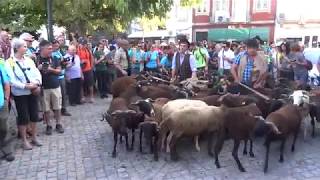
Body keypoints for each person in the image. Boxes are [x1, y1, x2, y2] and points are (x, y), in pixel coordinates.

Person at [5, 38, 42, 150]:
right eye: (24, 46)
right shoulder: (9, 62)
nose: (26, 48)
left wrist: (37, 83)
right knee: (23, 117)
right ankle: (24, 140)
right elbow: (11, 80)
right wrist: (25, 86)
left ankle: (34, 137)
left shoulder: (29, 60)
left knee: (34, 115)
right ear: (17, 48)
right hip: (20, 94)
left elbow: (37, 72)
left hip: (32, 91)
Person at [37, 40, 64, 135]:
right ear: (42, 49)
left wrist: (50, 69)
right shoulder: (36, 59)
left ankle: (59, 123)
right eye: (49, 48)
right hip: (43, 88)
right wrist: (38, 69)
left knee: (57, 107)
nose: (51, 50)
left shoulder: (54, 58)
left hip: (55, 86)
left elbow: (59, 71)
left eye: (51, 48)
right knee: (46, 108)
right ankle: (48, 125)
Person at [0, 58, 15, 161]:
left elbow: (6, 83)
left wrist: (6, 99)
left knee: (4, 127)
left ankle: (6, 149)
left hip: (1, 103)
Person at [52, 40, 71, 116]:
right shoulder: (51, 54)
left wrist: (64, 63)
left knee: (63, 93)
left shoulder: (60, 52)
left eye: (57, 46)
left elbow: (63, 62)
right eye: (55, 46)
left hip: (62, 75)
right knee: (56, 95)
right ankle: (56, 110)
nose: (56, 47)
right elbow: (54, 65)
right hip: (55, 76)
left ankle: (64, 109)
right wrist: (61, 62)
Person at [77, 37, 94, 103]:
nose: (84, 45)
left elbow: (91, 58)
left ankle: (91, 97)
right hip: (81, 69)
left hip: (88, 69)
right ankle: (82, 97)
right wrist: (81, 61)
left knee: (90, 83)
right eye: (83, 44)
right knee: (81, 84)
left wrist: (91, 66)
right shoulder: (78, 50)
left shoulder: (88, 50)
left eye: (85, 44)